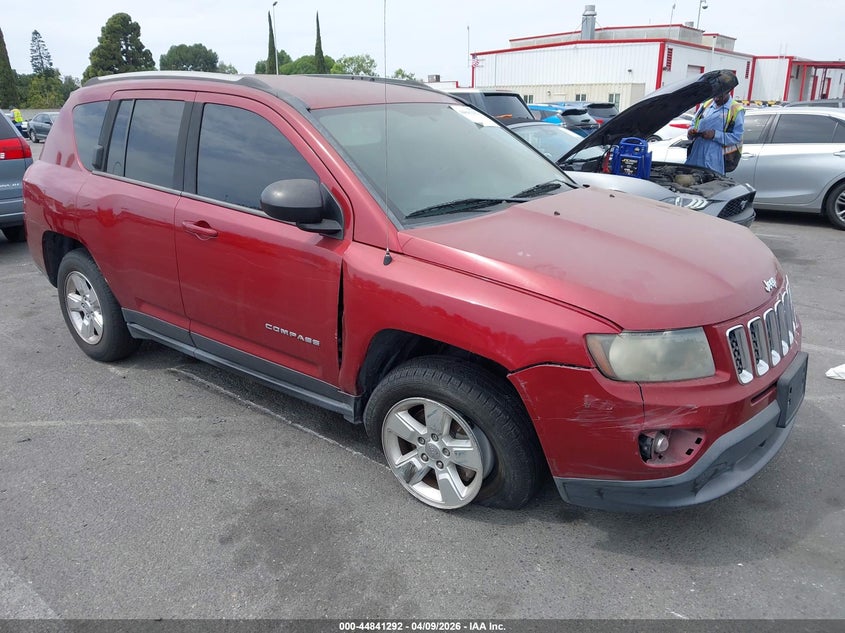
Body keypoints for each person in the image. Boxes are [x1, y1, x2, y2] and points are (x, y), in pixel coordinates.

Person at [685, 88, 745, 175]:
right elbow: (694, 122)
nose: (716, 99)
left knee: (709, 184)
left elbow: (737, 137)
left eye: (719, 96)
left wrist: (715, 135)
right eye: (714, 96)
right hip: (696, 155)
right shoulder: (707, 104)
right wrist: (691, 131)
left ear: (727, 91)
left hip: (716, 159)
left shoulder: (736, 109)